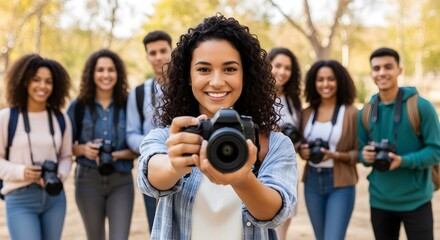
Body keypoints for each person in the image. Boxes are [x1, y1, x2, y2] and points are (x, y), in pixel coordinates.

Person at [137, 14, 297, 239]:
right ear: (188, 76)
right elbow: (149, 177)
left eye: (230, 69)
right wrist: (174, 165)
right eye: (204, 69)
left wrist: (243, 179)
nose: (217, 81)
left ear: (245, 75)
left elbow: (275, 213)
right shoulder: (171, 137)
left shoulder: (274, 144)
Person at [358, 47, 440, 240]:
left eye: (388, 67)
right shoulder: (365, 112)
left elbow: (436, 151)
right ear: (371, 73)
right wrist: (366, 156)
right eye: (376, 68)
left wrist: (402, 161)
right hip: (379, 201)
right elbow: (361, 153)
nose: (382, 73)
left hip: (417, 201)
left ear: (399, 70)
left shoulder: (421, 107)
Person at [0, 54, 73, 240]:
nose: (43, 86)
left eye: (48, 81)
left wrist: (60, 174)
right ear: (24, 81)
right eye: (36, 80)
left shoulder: (60, 118)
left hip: (54, 197)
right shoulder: (7, 117)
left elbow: (66, 156)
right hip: (20, 198)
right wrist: (22, 171)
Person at [67, 49, 138, 240]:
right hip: (87, 180)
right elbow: (64, 146)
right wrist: (83, 149)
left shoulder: (129, 103)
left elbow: (139, 144)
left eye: (110, 70)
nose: (105, 75)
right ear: (91, 74)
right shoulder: (78, 106)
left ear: (118, 73)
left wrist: (117, 154)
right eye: (100, 70)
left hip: (121, 180)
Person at [298, 60, 359, 240]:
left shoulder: (351, 113)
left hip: (340, 184)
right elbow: (300, 145)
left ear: (340, 81)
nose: (325, 84)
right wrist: (303, 151)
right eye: (320, 79)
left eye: (331, 79)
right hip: (312, 183)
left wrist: (336, 155)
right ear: (313, 83)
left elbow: (361, 153)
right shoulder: (307, 113)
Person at [126, 30, 172, 233]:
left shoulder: (191, 86)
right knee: (157, 228)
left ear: (172, 51)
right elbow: (130, 133)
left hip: (190, 167)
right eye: (152, 53)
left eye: (163, 50)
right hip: (153, 169)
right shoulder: (138, 93)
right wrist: (154, 145)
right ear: (147, 57)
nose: (158, 57)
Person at [267, 47, 302, 240]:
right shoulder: (256, 96)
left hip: (288, 167)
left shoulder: (293, 101)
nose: (282, 71)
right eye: (277, 65)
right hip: (263, 166)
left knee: (285, 220)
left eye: (287, 68)